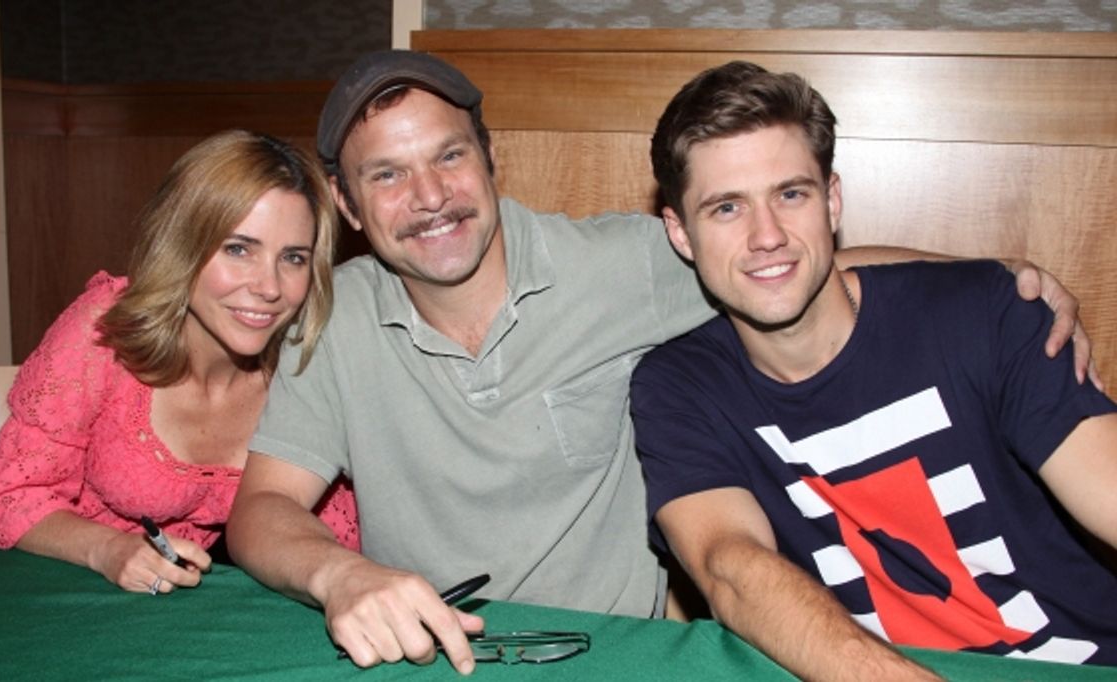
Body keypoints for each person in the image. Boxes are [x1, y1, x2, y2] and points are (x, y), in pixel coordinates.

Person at [225, 50, 1093, 675]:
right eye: (388, 175)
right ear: (344, 201)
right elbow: (262, 508)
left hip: (612, 658)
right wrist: (342, 576)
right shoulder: (330, 317)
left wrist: (1001, 282)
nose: (430, 197)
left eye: (450, 155)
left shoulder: (625, 264)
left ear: (491, 158)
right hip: (422, 657)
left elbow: (779, 260)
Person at [631, 61, 1117, 679]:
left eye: (791, 194)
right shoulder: (680, 386)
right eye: (727, 208)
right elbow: (732, 567)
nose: (767, 236)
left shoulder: (986, 314)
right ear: (680, 233)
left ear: (831, 200)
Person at [0, 130, 358, 595]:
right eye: (238, 249)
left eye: (293, 258)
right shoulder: (103, 334)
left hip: (177, 600)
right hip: (17, 576)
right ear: (182, 245)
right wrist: (109, 549)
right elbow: (9, 496)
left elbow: (342, 524)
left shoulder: (307, 362)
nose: (270, 287)